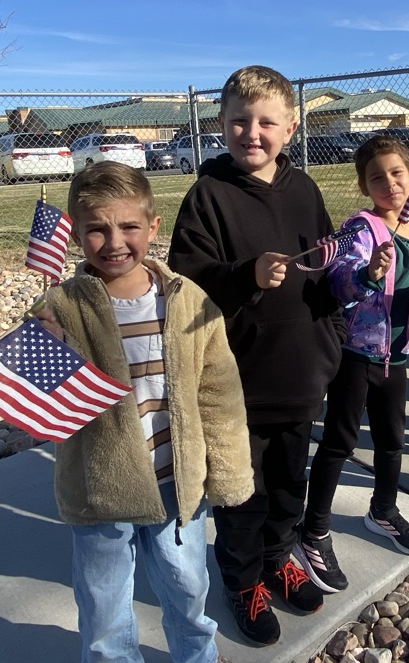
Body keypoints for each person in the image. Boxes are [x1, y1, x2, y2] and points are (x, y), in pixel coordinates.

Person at [41, 161, 253, 663]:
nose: (114, 241)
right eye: (96, 228)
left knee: (186, 588)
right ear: (75, 233)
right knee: (104, 603)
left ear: (152, 227)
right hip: (101, 488)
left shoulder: (187, 301)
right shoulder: (61, 309)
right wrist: (46, 343)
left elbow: (218, 394)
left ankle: (197, 655)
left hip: (176, 483)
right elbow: (40, 403)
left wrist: (228, 474)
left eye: (129, 226)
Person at [168, 66, 343, 646]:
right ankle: (242, 580)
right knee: (241, 493)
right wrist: (246, 275)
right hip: (238, 381)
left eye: (267, 121)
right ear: (220, 124)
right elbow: (187, 280)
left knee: (290, 482)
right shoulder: (208, 196)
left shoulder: (306, 190)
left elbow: (326, 267)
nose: (252, 132)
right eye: (239, 120)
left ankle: (279, 557)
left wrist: (336, 329)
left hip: (300, 374)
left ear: (290, 127)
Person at [295, 136, 409, 594]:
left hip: (397, 353)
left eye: (397, 173)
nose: (389, 183)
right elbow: (339, 279)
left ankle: (383, 509)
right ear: (365, 186)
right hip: (358, 354)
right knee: (340, 440)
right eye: (377, 177)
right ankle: (314, 530)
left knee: (391, 438)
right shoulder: (362, 228)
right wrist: (369, 273)